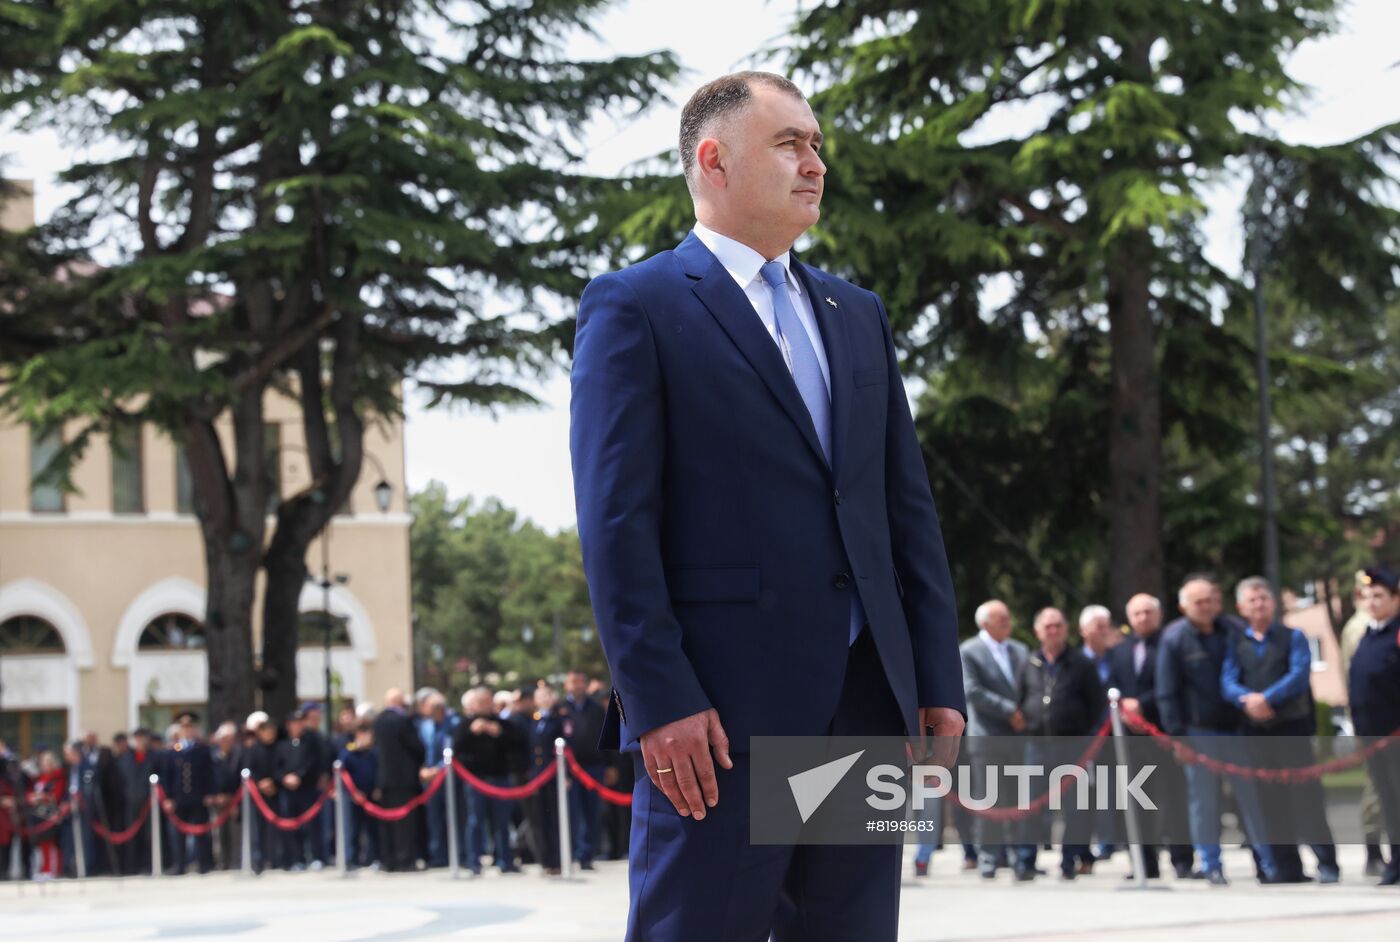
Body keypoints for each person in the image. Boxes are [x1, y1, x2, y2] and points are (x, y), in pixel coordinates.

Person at [571, 69, 966, 942]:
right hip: (717, 723)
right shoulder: (636, 305)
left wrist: (936, 679)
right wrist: (659, 698)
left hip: (867, 710)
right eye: (790, 143)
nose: (815, 163)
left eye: (817, 144)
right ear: (714, 160)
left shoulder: (856, 314)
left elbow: (906, 512)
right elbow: (616, 526)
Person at [1157, 574, 1277, 886]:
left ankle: (1266, 863)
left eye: (1211, 600)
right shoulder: (1174, 639)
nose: (1206, 606)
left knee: (1251, 801)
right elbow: (1167, 693)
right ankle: (1212, 865)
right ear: (1184, 607)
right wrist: (1178, 738)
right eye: (1199, 602)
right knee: (1204, 804)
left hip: (1237, 730)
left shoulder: (1234, 630)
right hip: (1199, 734)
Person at [1221, 576, 1339, 884]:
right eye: (1253, 600)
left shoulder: (1293, 636)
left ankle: (1327, 863)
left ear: (1273, 603)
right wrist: (1247, 699)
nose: (1259, 604)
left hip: (1291, 729)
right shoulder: (1237, 643)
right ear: (1242, 608)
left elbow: (1299, 674)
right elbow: (1228, 681)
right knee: (1269, 801)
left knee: (1306, 798)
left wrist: (1266, 699)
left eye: (1264, 598)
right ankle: (1287, 868)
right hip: (1255, 732)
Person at [1014, 607, 1107, 882]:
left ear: (1066, 629)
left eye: (1058, 625)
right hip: (1037, 745)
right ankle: (1025, 861)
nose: (1053, 631)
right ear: (1037, 631)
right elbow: (1020, 699)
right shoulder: (1028, 663)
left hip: (1073, 745)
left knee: (1075, 807)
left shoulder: (1082, 664)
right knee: (1030, 806)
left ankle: (1069, 861)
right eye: (1048, 626)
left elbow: (1096, 704)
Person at [1107, 593, 1193, 879]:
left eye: (1148, 612)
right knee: (1138, 802)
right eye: (1137, 613)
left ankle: (1183, 861)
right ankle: (1144, 864)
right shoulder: (1120, 651)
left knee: (1173, 800)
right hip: (1131, 740)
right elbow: (1112, 685)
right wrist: (1123, 708)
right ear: (1129, 618)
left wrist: (1141, 704)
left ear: (1159, 615)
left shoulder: (1170, 645)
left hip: (1163, 732)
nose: (1143, 618)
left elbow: (1174, 685)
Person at [960, 599, 1028, 879]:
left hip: (1018, 736)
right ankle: (988, 857)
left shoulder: (1020, 650)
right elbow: (972, 690)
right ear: (985, 623)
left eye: (1008, 617)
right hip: (987, 737)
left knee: (1017, 799)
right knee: (989, 800)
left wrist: (1025, 712)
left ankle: (1017, 856)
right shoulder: (969, 651)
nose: (1007, 623)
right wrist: (1009, 711)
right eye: (1001, 619)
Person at [1348, 565, 1400, 886]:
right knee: (1388, 801)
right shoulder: (1368, 635)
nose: (1371, 602)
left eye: (1379, 595)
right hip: (1372, 737)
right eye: (1367, 596)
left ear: (1396, 598)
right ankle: (1396, 861)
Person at [1341, 574, 1391, 876]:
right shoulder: (1362, 628)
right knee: (1379, 788)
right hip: (1378, 724)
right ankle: (1373, 851)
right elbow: (1358, 681)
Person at [453, 686, 523, 875]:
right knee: (475, 821)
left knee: (502, 822)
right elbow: (457, 749)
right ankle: (473, 861)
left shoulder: (503, 724)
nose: (484, 706)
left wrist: (500, 733)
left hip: (500, 779)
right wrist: (471, 732)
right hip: (475, 780)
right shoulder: (464, 724)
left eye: (487, 702)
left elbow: (517, 745)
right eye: (480, 702)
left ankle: (505, 860)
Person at [372, 688, 425, 872]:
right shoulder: (403, 721)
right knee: (405, 824)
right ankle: (405, 859)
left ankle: (389, 859)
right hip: (404, 779)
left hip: (384, 779)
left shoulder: (378, 721)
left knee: (387, 823)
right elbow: (416, 747)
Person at [159, 711, 216, 875]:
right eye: (184, 727)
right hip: (179, 798)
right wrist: (168, 798)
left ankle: (204, 863)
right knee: (177, 834)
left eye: (190, 727)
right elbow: (167, 776)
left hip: (198, 797)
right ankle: (180, 864)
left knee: (201, 831)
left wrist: (210, 793)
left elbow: (209, 774)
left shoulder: (202, 750)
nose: (187, 730)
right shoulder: (172, 751)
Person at [563, 669, 607, 870]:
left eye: (580, 681)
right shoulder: (561, 709)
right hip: (569, 770)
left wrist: (610, 765)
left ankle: (587, 855)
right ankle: (571, 853)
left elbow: (606, 737)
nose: (577, 685)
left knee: (592, 812)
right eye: (573, 681)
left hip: (594, 767)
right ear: (566, 685)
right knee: (572, 813)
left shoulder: (596, 708)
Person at [337, 719, 380, 869]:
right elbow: (341, 773)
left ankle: (372, 858)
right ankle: (351, 859)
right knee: (352, 829)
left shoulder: (374, 753)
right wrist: (353, 792)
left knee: (372, 829)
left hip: (370, 796)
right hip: (353, 796)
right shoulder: (349, 752)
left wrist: (377, 788)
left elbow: (378, 771)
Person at [115, 727, 157, 875]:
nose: (140, 741)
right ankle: (131, 866)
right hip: (131, 801)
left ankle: (149, 865)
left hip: (149, 802)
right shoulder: (126, 758)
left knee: (149, 835)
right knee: (131, 835)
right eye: (137, 738)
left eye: (142, 738)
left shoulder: (154, 756)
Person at [244, 712, 280, 873]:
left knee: (275, 829)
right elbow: (248, 770)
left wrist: (273, 782)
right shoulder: (253, 750)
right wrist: (260, 783)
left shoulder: (279, 747)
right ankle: (258, 860)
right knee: (257, 829)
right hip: (257, 795)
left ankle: (275, 858)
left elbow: (282, 767)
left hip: (276, 792)